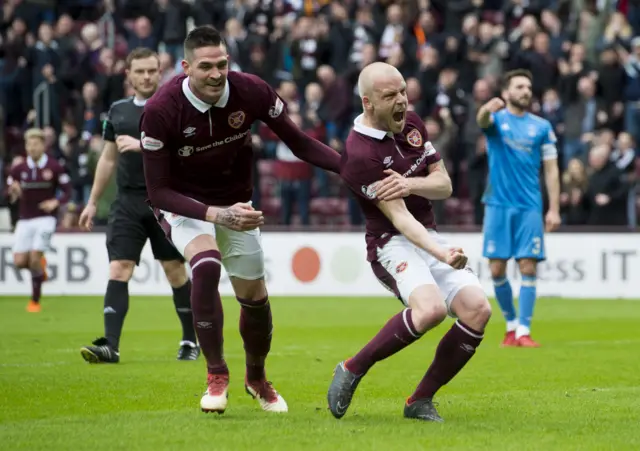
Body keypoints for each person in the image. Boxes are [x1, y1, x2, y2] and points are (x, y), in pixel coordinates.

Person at [140, 25, 341, 414]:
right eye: (205, 67)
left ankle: (257, 377)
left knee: (254, 297)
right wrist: (217, 215)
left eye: (222, 64)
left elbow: (298, 142)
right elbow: (158, 192)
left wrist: (351, 169)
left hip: (237, 201)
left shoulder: (251, 90)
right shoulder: (160, 110)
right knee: (207, 264)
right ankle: (216, 374)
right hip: (185, 205)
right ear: (185, 68)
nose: (216, 74)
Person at [327, 62, 492, 423]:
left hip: (426, 235)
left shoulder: (412, 123)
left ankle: (420, 400)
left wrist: (411, 183)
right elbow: (400, 218)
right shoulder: (360, 154)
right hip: (391, 243)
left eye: (403, 91)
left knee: (478, 310)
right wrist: (443, 253)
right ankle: (354, 367)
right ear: (368, 103)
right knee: (430, 310)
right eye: (391, 96)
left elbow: (444, 184)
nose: (402, 101)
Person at [78, 48, 199, 364]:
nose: (146, 76)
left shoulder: (175, 107)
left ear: (160, 73)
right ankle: (110, 346)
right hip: (128, 202)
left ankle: (189, 340)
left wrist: (142, 145)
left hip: (166, 201)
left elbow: (184, 153)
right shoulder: (117, 112)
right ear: (128, 75)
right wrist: (92, 202)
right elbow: (108, 158)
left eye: (151, 71)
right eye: (140, 71)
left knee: (174, 271)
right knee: (119, 268)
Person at [476, 69, 561, 348]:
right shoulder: (497, 121)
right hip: (498, 203)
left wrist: (554, 209)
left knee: (527, 265)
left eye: (528, 86)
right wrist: (487, 107)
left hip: (530, 206)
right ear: (507, 92)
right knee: (497, 269)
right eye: (520, 86)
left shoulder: (542, 127)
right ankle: (511, 326)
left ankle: (524, 330)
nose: (526, 90)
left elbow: (551, 171)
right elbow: (481, 120)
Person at [6, 128, 71, 313]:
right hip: (25, 219)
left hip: (45, 219)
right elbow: (7, 192)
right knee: (19, 261)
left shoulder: (54, 166)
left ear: (43, 145)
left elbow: (68, 191)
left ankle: (35, 301)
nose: (32, 148)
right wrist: (13, 192)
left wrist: (55, 202)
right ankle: (40, 270)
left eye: (35, 144)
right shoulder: (18, 169)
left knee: (34, 257)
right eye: (29, 144)